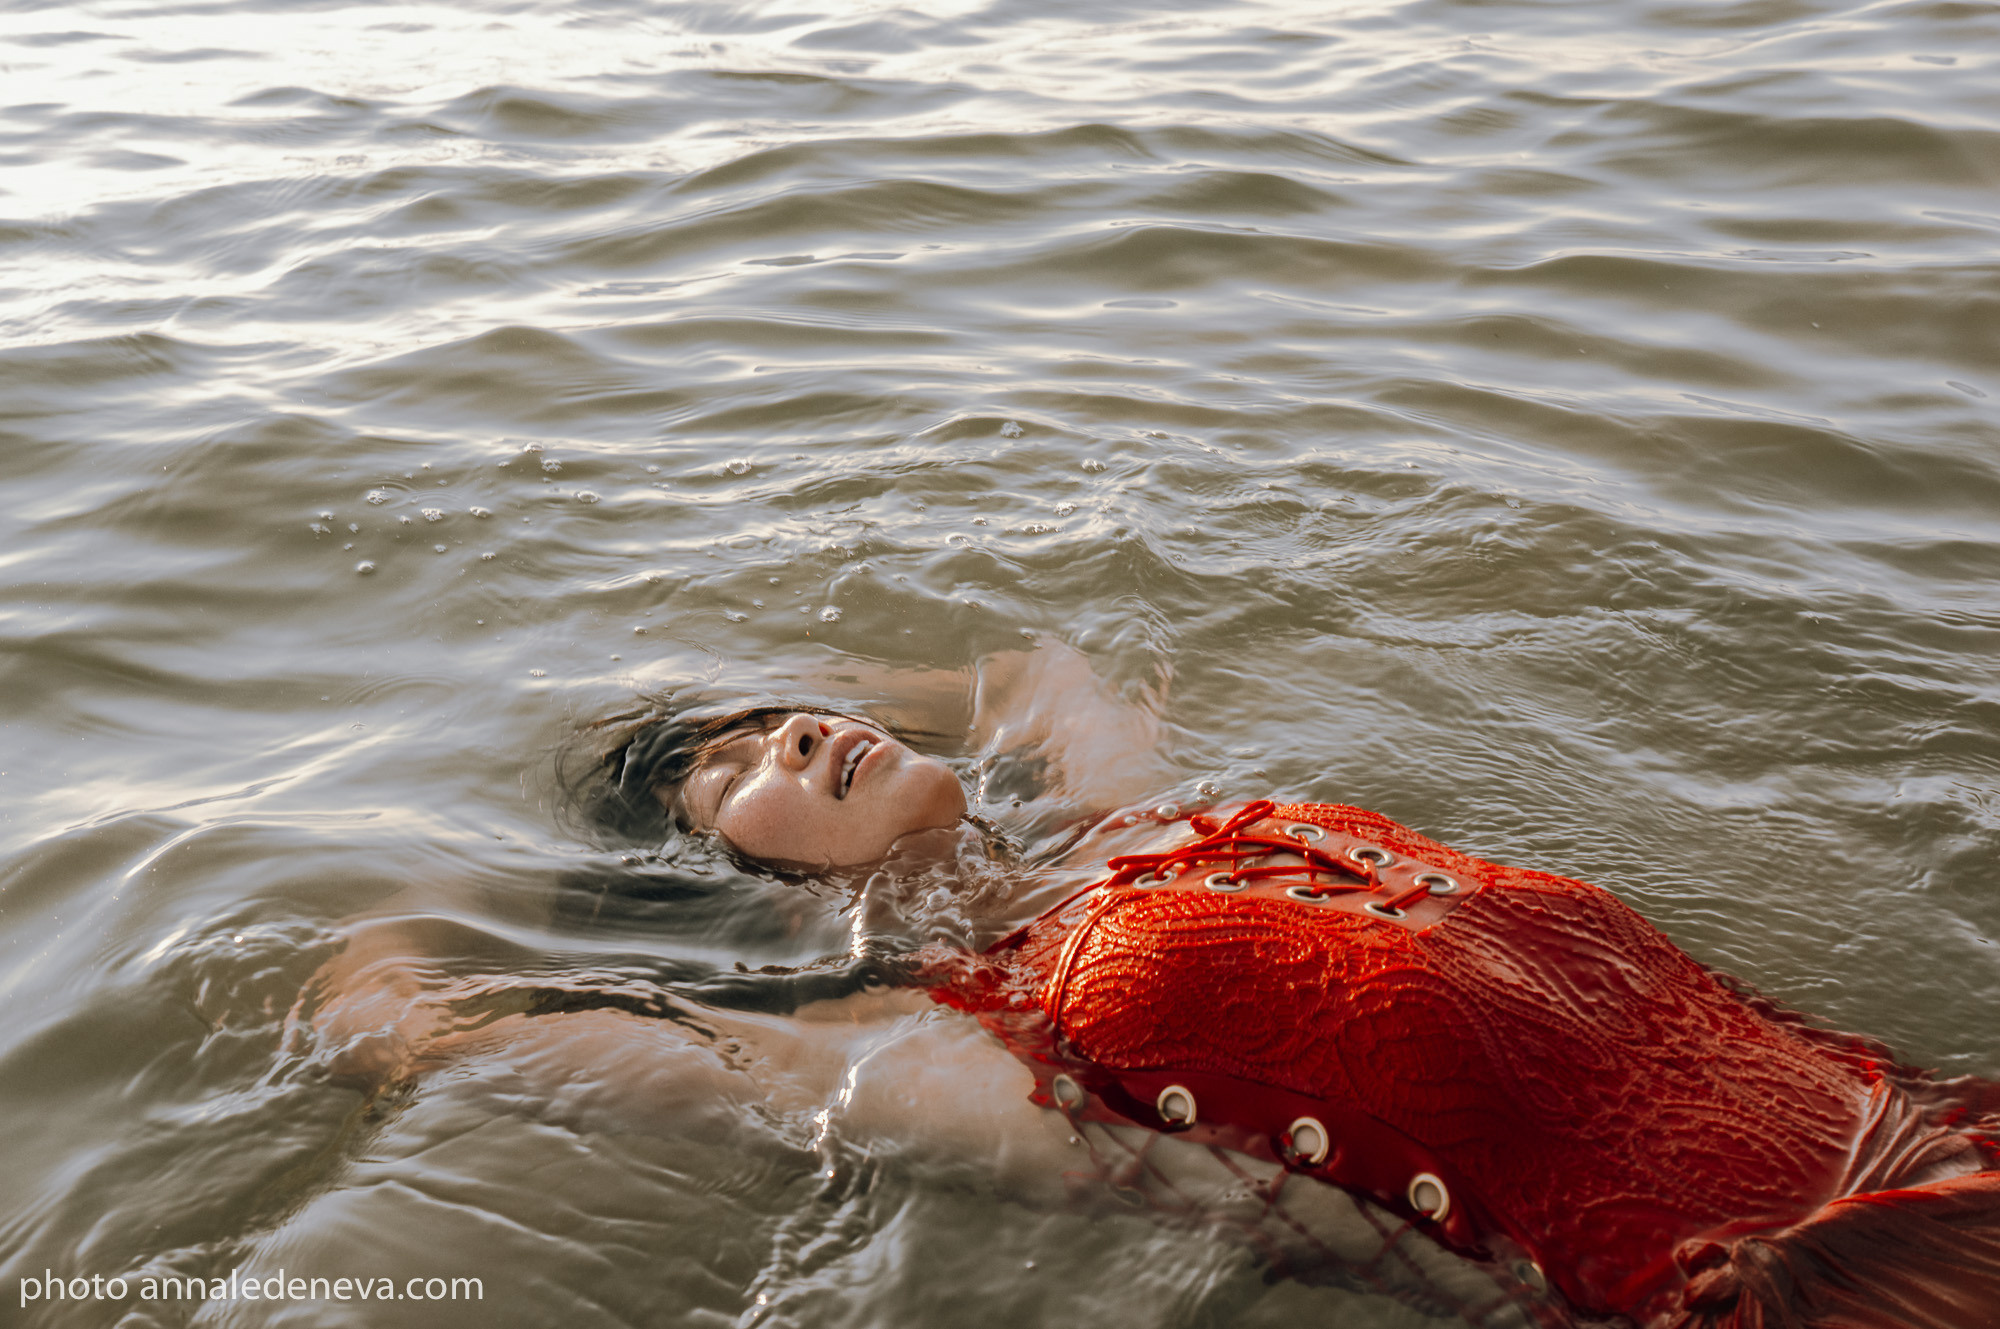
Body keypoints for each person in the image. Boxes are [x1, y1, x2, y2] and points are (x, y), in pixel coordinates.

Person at [297, 638, 2000, 1329]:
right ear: (730, 876)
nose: (791, 731)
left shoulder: (1154, 827)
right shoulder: (945, 1047)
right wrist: (517, 877)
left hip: (1956, 1129)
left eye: (783, 707)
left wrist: (758, 689)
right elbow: (406, 1031)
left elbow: (1031, 666)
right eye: (726, 768)